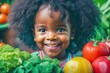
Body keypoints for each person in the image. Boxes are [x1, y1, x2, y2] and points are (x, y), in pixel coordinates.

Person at [8, 0, 100, 69]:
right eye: (42, 30)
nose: (51, 37)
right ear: (34, 34)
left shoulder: (79, 64)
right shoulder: (30, 62)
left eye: (60, 30)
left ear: (72, 33)